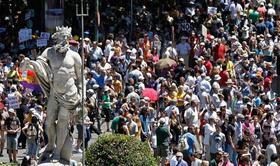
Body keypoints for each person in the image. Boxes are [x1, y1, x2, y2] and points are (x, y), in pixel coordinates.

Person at [19, 26, 83, 162]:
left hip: (70, 94)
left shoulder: (75, 56)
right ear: (56, 38)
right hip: (54, 92)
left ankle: (58, 153)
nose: (63, 41)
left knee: (62, 122)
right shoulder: (49, 52)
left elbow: (81, 79)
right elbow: (39, 64)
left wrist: (82, 96)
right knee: (48, 123)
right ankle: (51, 145)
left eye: (66, 38)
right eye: (61, 38)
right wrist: (28, 64)